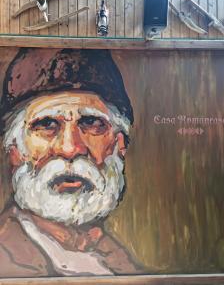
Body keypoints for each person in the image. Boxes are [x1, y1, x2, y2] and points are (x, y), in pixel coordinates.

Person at [0, 48, 144, 277]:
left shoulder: (118, 262)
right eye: (46, 125)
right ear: (15, 151)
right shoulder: (6, 260)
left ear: (119, 143)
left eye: (91, 123)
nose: (70, 148)